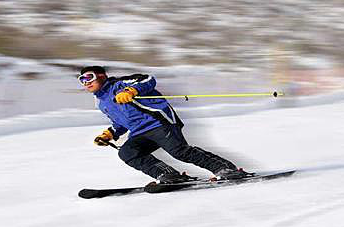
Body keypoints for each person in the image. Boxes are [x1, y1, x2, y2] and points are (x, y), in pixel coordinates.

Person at [78, 65, 252, 184]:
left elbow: (148, 79)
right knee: (127, 152)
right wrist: (109, 134)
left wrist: (131, 90)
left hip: (159, 122)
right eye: (82, 79)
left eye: (89, 77)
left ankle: (226, 169)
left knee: (179, 151)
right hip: (139, 133)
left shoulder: (121, 84)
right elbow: (119, 123)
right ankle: (168, 175)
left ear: (101, 76)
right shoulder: (100, 102)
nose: (86, 82)